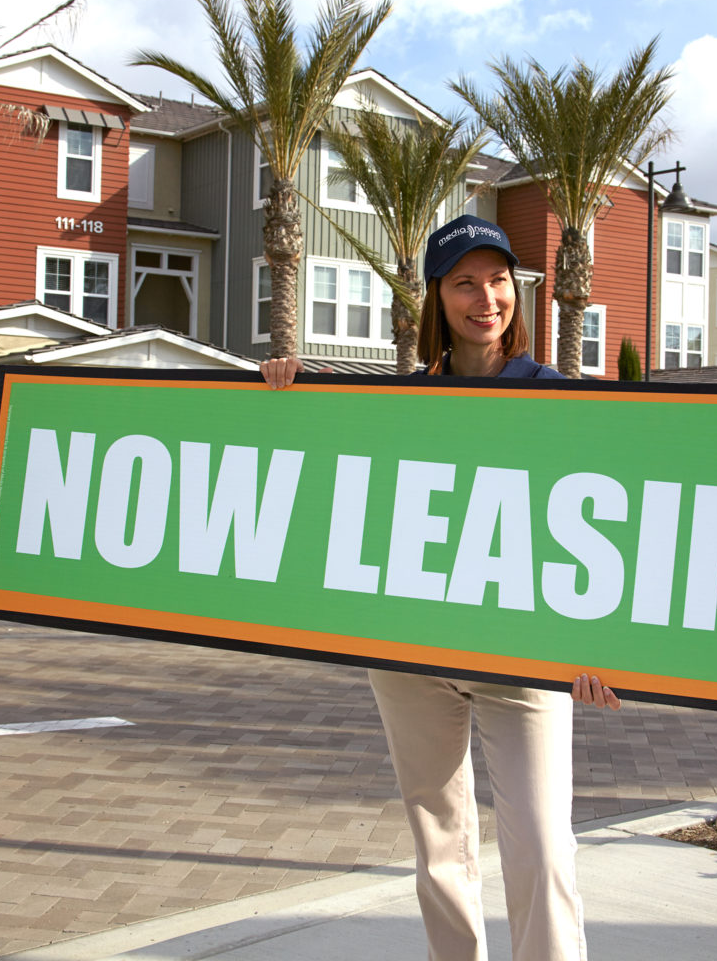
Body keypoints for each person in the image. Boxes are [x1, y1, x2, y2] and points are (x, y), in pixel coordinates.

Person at [260, 214, 620, 961]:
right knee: (439, 853)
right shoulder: (405, 402)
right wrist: (284, 395)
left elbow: (605, 524)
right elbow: (329, 475)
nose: (485, 298)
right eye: (464, 283)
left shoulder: (557, 397)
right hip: (410, 658)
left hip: (523, 662)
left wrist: (602, 647)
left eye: (498, 281)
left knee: (545, 853)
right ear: (435, 297)